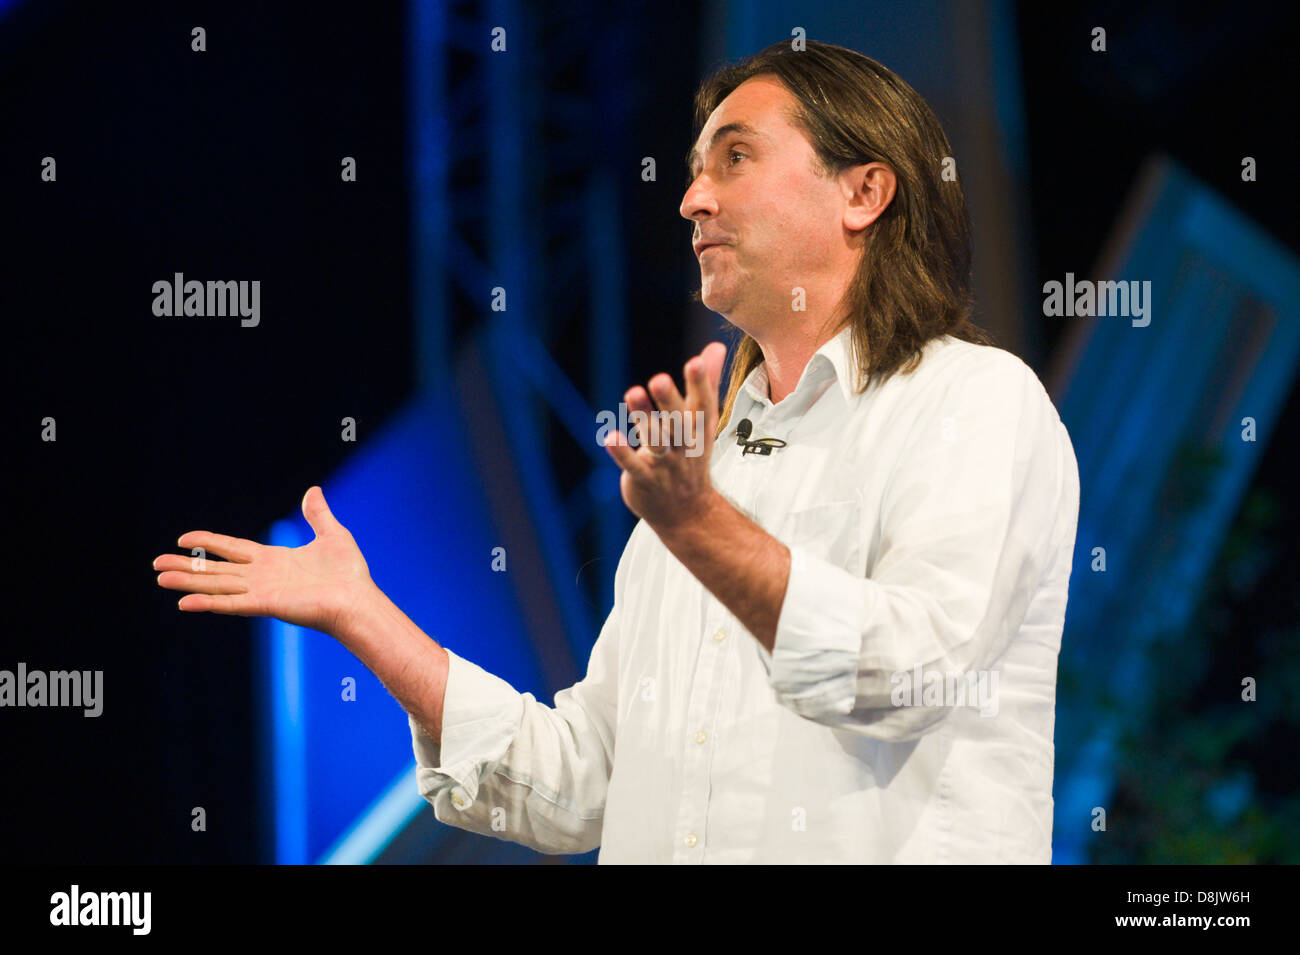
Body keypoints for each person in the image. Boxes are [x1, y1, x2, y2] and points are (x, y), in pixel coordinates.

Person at [154, 40, 1079, 863]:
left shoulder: (973, 402)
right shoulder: (707, 471)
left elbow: (911, 671)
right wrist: (367, 620)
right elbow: (583, 780)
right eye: (693, 169)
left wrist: (702, 527)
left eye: (736, 158)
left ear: (863, 192)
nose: (691, 199)